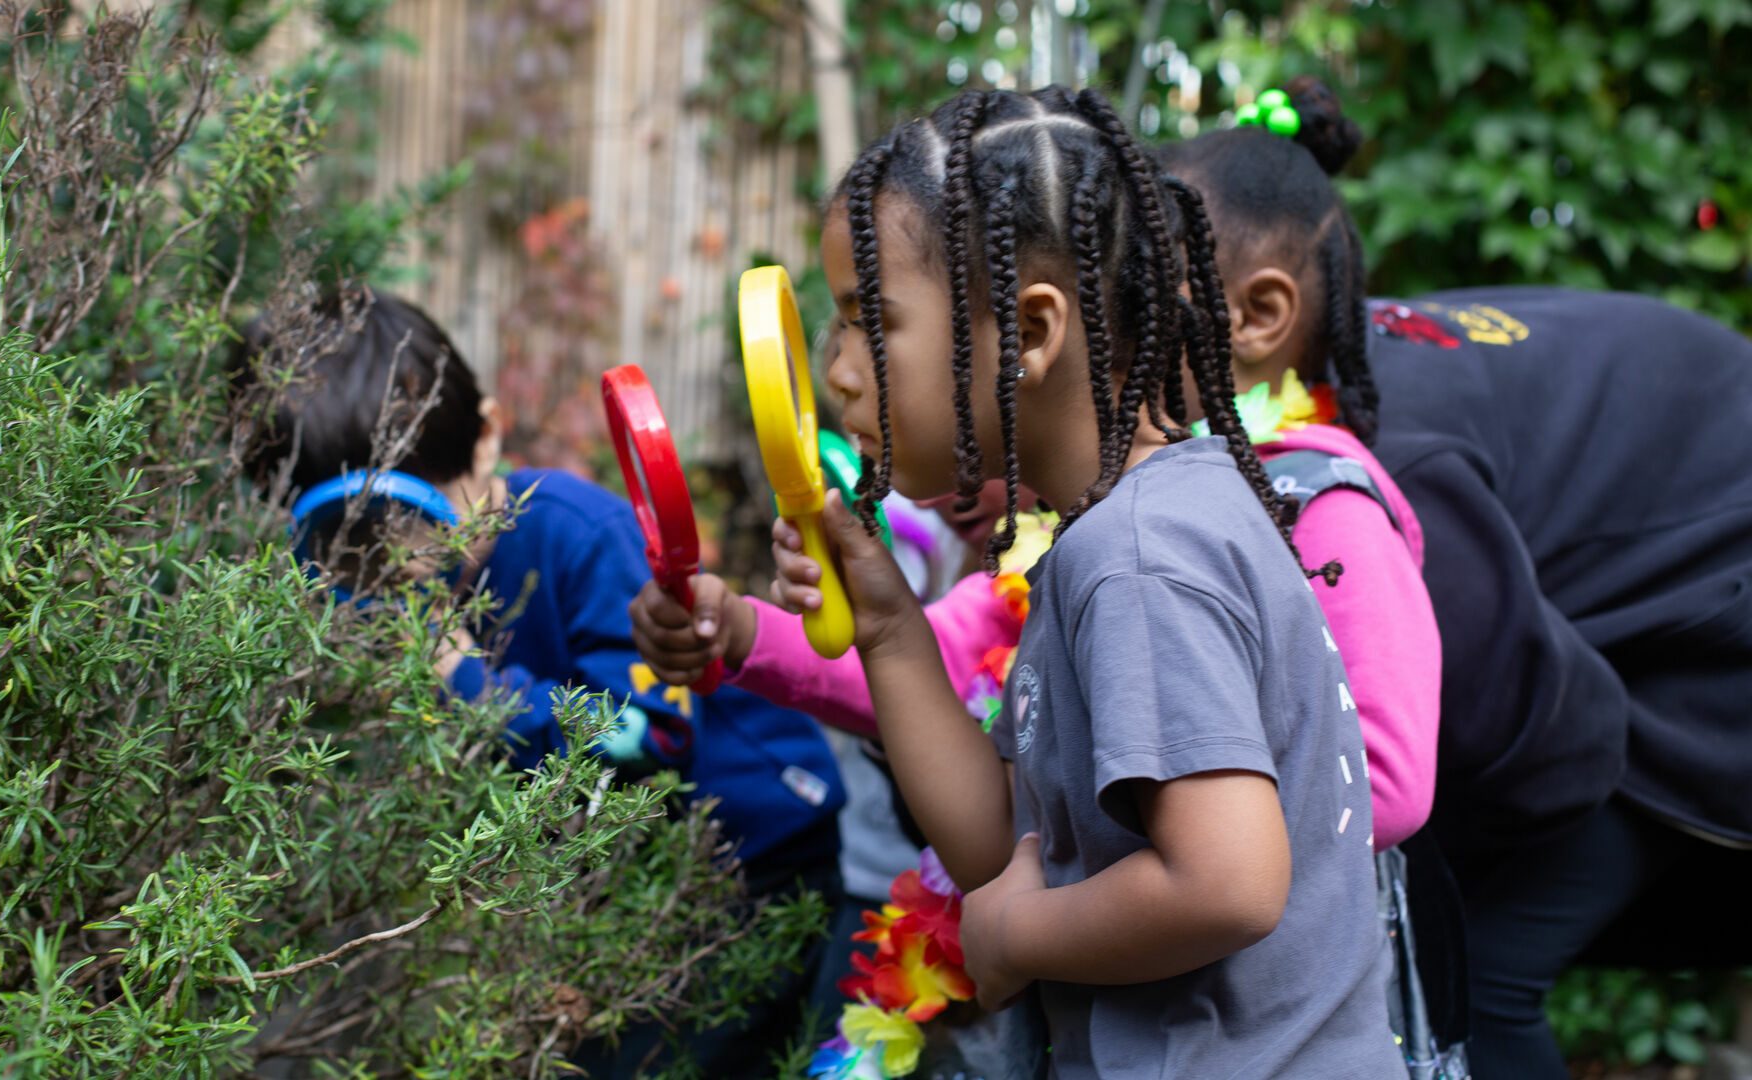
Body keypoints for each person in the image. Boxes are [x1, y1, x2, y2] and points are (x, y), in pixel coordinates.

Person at [771, 85, 1402, 1077]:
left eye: (871, 321)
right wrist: (891, 629)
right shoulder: (1121, 530)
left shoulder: (1142, 556)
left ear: (1028, 334)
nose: (837, 368)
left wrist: (1016, 939)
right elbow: (1011, 844)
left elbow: (1228, 883)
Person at [1163, 77, 1752, 1078]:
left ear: (1259, 316)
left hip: (1702, 642)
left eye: (1118, 313)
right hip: (1642, 589)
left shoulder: (1380, 463)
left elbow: (1549, 739)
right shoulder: (1299, 378)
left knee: (1471, 965)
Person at [231, 290, 846, 1078]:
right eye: (345, 544)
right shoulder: (382, 595)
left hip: (749, 854)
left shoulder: (576, 536)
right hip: (610, 879)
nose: (388, 566)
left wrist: (469, 685)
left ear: (485, 439)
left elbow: (645, 738)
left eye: (407, 520)